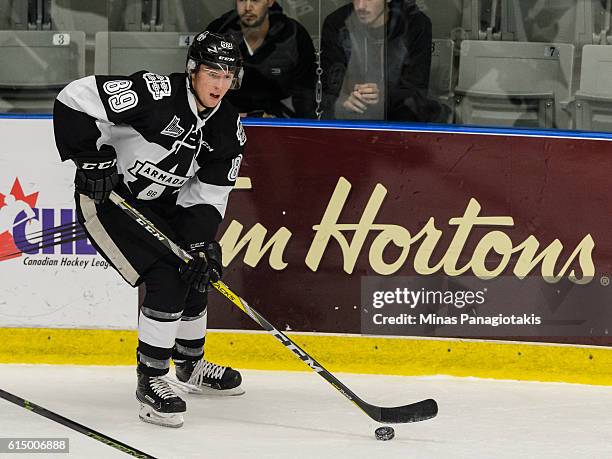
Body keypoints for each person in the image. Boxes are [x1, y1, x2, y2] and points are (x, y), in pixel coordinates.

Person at [52, 31, 247, 428]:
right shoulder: (153, 94)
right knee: (165, 275)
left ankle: (190, 367)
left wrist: (199, 242)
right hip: (108, 200)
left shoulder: (227, 126)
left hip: (161, 205)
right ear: (192, 70)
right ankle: (151, 380)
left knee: (195, 269)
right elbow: (75, 97)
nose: (220, 84)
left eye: (229, 76)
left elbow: (208, 194)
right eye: (213, 73)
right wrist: (92, 161)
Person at [321, 0, 434, 121]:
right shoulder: (337, 23)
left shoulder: (415, 24)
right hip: (349, 122)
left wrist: (384, 97)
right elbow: (327, 89)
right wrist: (342, 101)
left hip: (398, 124)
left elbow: (417, 91)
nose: (361, 6)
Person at [207, 0, 316, 118]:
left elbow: (306, 96)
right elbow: (201, 90)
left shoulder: (293, 35)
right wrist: (235, 117)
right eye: (242, 0)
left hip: (279, 122)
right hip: (226, 121)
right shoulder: (218, 32)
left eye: (256, 0)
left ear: (270, 2)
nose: (248, 7)